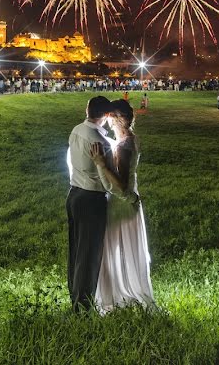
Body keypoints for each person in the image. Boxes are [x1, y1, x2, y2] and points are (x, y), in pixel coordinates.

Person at [91, 99, 156, 313]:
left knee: (112, 247)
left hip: (122, 203)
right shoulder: (130, 140)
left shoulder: (125, 144)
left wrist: (101, 164)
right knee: (119, 246)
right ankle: (120, 291)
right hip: (128, 200)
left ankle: (117, 295)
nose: (107, 123)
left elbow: (121, 184)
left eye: (110, 118)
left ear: (117, 119)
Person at [66, 95, 113, 312]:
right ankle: (82, 306)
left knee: (76, 250)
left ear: (87, 109)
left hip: (74, 193)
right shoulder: (101, 142)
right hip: (92, 198)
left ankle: (75, 295)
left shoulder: (76, 130)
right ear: (105, 115)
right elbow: (107, 179)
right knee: (89, 254)